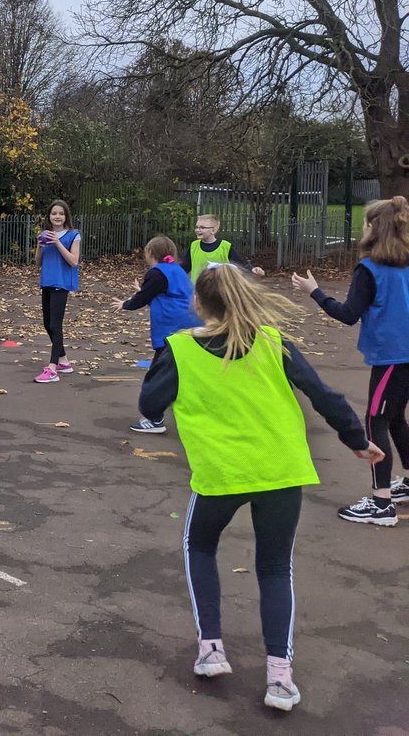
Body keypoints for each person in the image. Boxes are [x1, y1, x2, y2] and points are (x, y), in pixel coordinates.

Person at [140, 264, 381, 712]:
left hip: (222, 473)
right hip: (281, 470)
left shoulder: (179, 348)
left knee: (200, 546)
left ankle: (211, 649)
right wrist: (357, 440)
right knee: (274, 568)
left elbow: (149, 405)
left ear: (199, 303)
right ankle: (280, 678)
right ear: (246, 297)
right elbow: (324, 394)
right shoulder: (274, 342)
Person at [292, 195, 409, 526]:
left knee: (376, 420)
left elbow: (347, 314)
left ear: (374, 228)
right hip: (402, 354)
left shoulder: (369, 269)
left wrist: (315, 291)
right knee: (395, 417)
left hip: (394, 356)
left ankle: (381, 503)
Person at [112, 235, 201, 433]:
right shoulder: (177, 269)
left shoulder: (157, 273)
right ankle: (196, 412)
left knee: (158, 375)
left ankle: (154, 419)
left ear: (151, 253)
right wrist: (143, 290)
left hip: (171, 331)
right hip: (190, 327)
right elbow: (165, 294)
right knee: (182, 373)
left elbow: (144, 297)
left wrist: (125, 304)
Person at [34, 199, 81, 383]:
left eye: (61, 213)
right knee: (47, 323)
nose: (57, 216)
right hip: (47, 282)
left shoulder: (73, 235)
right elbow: (38, 262)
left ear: (66, 216)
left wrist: (58, 242)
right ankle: (64, 361)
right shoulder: (46, 235)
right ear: (49, 216)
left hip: (61, 284)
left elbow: (73, 261)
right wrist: (39, 244)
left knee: (56, 325)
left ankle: (52, 368)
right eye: (54, 213)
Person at [182, 214, 265, 282]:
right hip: (198, 291)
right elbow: (184, 267)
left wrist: (253, 269)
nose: (198, 230)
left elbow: (240, 264)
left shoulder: (225, 247)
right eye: (196, 227)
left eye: (202, 227)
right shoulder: (193, 246)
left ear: (213, 231)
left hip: (220, 291)